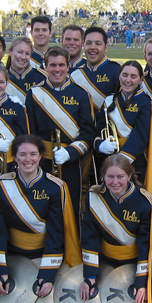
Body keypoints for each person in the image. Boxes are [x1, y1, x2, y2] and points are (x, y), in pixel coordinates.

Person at [79, 154, 152, 303]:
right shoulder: (93, 197)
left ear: (129, 176)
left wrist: (141, 281)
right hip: (105, 263)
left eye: (120, 177)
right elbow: (90, 238)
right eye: (110, 177)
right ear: (103, 176)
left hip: (134, 263)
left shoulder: (144, 201)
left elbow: (146, 244)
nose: (115, 182)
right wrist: (90, 277)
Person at [0, 135, 80, 299]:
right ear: (15, 157)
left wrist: (47, 275)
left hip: (42, 255)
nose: (27, 159)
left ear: (40, 156)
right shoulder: (2, 184)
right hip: (13, 256)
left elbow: (56, 233)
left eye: (32, 154)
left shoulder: (55, 186)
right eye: (22, 154)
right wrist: (0, 272)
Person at [26, 47, 97, 222]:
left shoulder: (81, 93)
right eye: (52, 65)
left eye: (61, 65)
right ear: (45, 66)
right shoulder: (34, 93)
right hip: (41, 162)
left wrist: (70, 153)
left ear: (68, 67)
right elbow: (30, 133)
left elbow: (88, 133)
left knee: (70, 208)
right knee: (41, 208)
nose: (57, 69)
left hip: (71, 162)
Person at [94, 61, 152, 181]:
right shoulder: (109, 100)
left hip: (135, 162)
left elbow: (141, 137)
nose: (128, 80)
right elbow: (99, 130)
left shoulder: (146, 102)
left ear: (141, 79)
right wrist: (100, 145)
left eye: (133, 76)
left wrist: (119, 163)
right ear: (119, 76)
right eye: (125, 75)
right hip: (108, 161)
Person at [70, 26, 120, 112]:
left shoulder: (117, 71)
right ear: (83, 45)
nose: (93, 47)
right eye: (88, 43)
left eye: (98, 43)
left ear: (106, 47)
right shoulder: (75, 74)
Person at [5, 36, 46, 104]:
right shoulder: (1, 77)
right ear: (10, 52)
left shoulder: (41, 78)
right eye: (20, 52)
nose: (23, 57)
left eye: (27, 54)